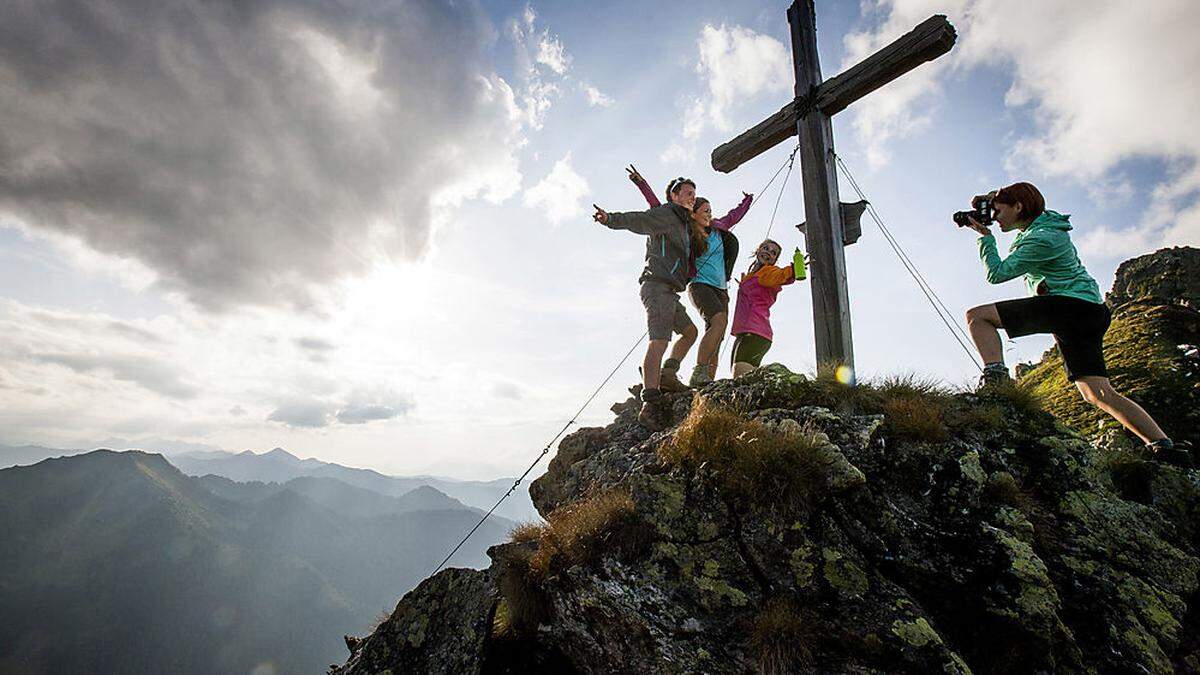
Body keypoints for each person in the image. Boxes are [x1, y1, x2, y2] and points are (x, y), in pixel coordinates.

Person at [962, 181, 1192, 468]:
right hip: (1088, 311)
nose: (994, 218)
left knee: (978, 317)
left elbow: (997, 274)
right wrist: (992, 200)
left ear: (1018, 207)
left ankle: (996, 380)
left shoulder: (1041, 239)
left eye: (998, 211)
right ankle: (1162, 445)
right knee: (1096, 392)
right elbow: (1021, 215)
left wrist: (985, 237)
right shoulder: (1046, 227)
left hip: (1070, 305)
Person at [626, 165, 752, 386]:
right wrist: (642, 184)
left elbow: (734, 216)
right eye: (705, 210)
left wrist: (747, 201)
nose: (709, 214)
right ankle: (696, 372)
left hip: (721, 288)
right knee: (717, 322)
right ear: (693, 213)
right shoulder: (685, 230)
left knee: (715, 333)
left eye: (711, 211)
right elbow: (657, 208)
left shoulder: (718, 228)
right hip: (699, 285)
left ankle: (698, 379)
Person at [592, 178, 700, 430]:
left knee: (690, 332)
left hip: (670, 291)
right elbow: (638, 220)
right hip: (657, 286)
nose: (692, 197)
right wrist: (610, 219)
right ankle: (650, 402)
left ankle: (666, 375)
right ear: (673, 196)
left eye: (694, 194)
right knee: (659, 341)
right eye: (687, 193)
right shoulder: (666, 214)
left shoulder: (684, 223)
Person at [729, 239, 806, 378]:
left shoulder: (766, 272)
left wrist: (793, 270)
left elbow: (780, 275)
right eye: (766, 248)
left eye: (773, 253)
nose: (768, 253)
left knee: (740, 379)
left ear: (775, 260)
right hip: (748, 333)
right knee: (742, 379)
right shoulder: (753, 275)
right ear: (758, 250)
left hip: (754, 332)